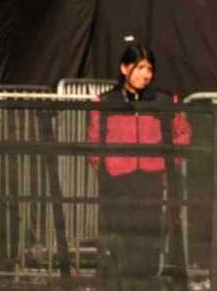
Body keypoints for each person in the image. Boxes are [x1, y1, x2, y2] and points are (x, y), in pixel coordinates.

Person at [87, 38, 192, 289]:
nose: (146, 75)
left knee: (148, 239)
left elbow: (183, 134)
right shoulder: (105, 102)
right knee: (119, 240)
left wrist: (169, 165)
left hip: (151, 179)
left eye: (150, 69)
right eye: (141, 68)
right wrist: (107, 168)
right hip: (117, 182)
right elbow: (93, 141)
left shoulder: (165, 101)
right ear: (125, 68)